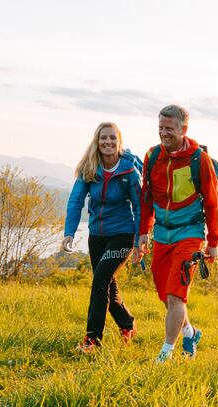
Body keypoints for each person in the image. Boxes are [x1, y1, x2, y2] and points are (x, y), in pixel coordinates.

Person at [137, 104, 218, 363]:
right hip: (162, 234)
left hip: (190, 234)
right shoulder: (152, 156)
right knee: (165, 295)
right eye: (161, 128)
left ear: (183, 129)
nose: (164, 133)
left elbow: (212, 202)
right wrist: (143, 232)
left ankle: (165, 354)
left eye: (169, 129)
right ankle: (190, 333)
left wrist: (213, 242)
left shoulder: (199, 159)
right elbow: (147, 198)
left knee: (176, 295)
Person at [63, 122, 143, 352]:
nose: (108, 142)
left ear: (119, 142)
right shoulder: (90, 167)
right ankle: (127, 323)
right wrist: (69, 232)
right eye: (103, 138)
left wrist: (139, 240)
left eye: (112, 139)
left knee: (100, 281)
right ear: (97, 142)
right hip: (96, 235)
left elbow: (139, 207)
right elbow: (76, 201)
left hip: (123, 235)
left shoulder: (129, 171)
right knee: (108, 285)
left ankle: (93, 340)